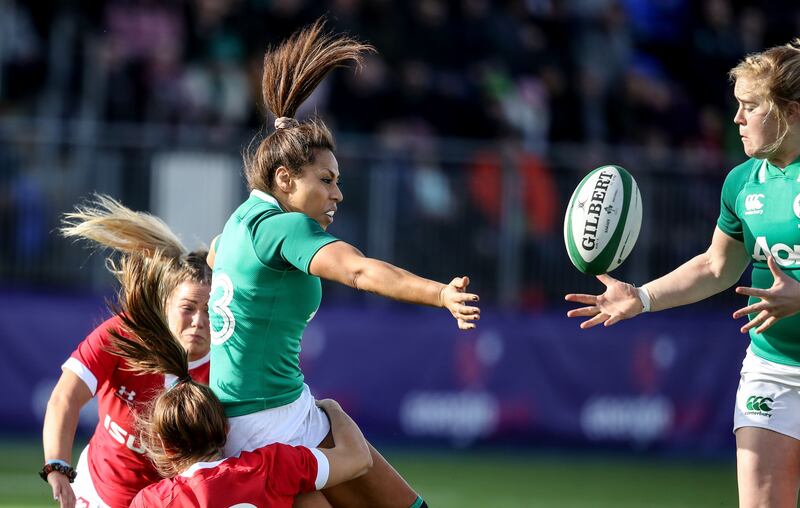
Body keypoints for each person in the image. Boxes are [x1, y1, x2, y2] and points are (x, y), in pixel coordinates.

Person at [208, 19, 480, 508]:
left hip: (253, 420)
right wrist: (439, 293)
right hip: (271, 423)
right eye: (326, 180)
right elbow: (358, 270)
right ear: (285, 179)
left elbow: (212, 256)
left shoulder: (238, 223)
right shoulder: (285, 228)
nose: (337, 193)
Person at [565, 39, 800, 507]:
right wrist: (643, 297)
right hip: (772, 369)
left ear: (791, 111)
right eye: (737, 105)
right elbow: (716, 266)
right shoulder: (742, 182)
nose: (736, 119)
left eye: (750, 107)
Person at [103, 253, 373, 508]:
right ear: (225, 429)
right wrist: (331, 409)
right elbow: (358, 459)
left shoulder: (150, 501)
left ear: (165, 447)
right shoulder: (272, 466)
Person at [41, 196, 212, 508]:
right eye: (188, 308)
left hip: (173, 501)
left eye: (211, 310)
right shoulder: (125, 334)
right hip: (99, 494)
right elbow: (65, 397)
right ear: (166, 304)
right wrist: (57, 466)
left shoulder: (231, 362)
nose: (199, 320)